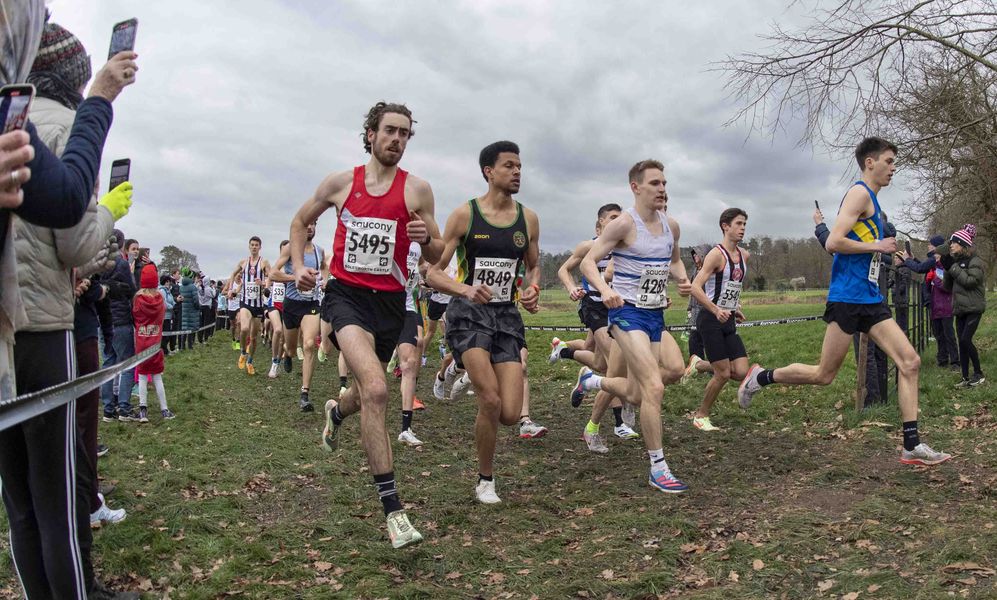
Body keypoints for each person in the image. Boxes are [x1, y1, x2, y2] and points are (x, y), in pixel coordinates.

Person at [0, 6, 140, 598]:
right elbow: (76, 239)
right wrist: (110, 208)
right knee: (58, 498)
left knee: (20, 501)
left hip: (4, 332)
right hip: (47, 328)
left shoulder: (18, 116)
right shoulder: (57, 126)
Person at [737, 137, 950, 466]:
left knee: (910, 362)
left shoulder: (875, 204)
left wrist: (889, 255)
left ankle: (911, 444)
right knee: (824, 375)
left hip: (870, 298)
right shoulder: (859, 193)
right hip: (847, 299)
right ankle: (760, 377)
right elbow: (834, 242)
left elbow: (864, 247)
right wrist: (877, 246)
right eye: (889, 161)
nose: (893, 168)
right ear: (870, 162)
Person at [297, 101, 441, 548]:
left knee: (363, 392)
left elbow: (436, 254)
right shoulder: (341, 183)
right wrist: (303, 264)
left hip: (391, 304)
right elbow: (302, 221)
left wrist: (426, 240)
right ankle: (394, 511)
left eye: (405, 133)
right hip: (346, 298)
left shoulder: (418, 191)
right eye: (390, 131)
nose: (397, 139)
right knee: (378, 390)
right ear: (371, 135)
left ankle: (336, 411)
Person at [427, 140, 541, 504]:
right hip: (469, 314)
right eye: (509, 166)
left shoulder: (528, 218)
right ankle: (485, 480)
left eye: (519, 166)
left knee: (509, 413)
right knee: (489, 400)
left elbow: (534, 264)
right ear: (489, 172)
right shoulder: (465, 215)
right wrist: (465, 289)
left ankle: (452, 371)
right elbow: (433, 272)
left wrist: (533, 287)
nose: (517, 172)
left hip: (506, 316)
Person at [574, 159, 692, 493]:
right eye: (655, 183)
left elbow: (675, 260)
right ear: (635, 187)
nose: (662, 189)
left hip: (655, 314)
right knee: (654, 388)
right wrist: (606, 289)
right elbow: (587, 261)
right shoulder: (624, 224)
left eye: (665, 183)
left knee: (645, 389)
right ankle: (658, 467)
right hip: (626, 314)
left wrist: (682, 279)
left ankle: (594, 380)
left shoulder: (672, 226)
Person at [687, 208, 751, 431]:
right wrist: (715, 310)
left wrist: (735, 307)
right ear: (725, 226)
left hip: (729, 318)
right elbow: (694, 288)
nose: (743, 228)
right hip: (710, 319)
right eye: (739, 224)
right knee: (723, 373)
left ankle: (699, 364)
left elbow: (731, 287)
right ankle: (701, 415)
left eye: (744, 224)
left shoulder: (744, 256)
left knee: (742, 371)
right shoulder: (716, 255)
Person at [272, 223, 326, 410]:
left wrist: (324, 280)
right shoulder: (290, 249)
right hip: (291, 305)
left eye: (313, 224)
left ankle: (305, 394)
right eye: (307, 224)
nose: (310, 227)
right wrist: (295, 278)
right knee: (292, 348)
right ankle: (287, 354)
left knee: (310, 344)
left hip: (311, 304)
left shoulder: (320, 252)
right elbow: (272, 273)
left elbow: (325, 268)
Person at [937, 224, 986, 388]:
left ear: (963, 244)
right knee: (961, 343)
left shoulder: (975, 261)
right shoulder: (956, 262)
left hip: (974, 308)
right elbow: (948, 287)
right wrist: (947, 268)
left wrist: (953, 267)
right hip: (960, 309)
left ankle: (978, 374)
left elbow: (971, 282)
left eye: (954, 242)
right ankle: (965, 378)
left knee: (966, 340)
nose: (950, 245)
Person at [134, 264, 175, 421]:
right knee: (157, 377)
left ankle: (143, 411)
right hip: (155, 343)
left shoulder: (137, 299)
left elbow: (135, 317)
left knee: (143, 377)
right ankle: (164, 410)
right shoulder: (159, 299)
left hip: (141, 342)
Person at [396, 241, 427, 446]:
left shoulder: (416, 246)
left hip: (407, 309)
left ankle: (405, 428)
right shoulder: (387, 234)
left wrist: (427, 276)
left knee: (409, 365)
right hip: (381, 306)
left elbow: (424, 265)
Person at [226, 237, 270, 375]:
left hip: (257, 304)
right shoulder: (243, 263)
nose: (254, 247)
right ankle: (243, 353)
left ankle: (250, 361)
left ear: (260, 247)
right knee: (244, 328)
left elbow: (271, 277)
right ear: (249, 246)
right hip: (245, 302)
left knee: (254, 336)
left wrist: (263, 283)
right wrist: (230, 289)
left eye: (256, 245)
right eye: (252, 245)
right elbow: (233, 274)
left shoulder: (264, 262)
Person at [265, 240, 289, 379]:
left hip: (287, 306)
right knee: (278, 330)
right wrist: (267, 288)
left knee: (283, 340)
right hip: (274, 304)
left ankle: (277, 361)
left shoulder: (292, 267)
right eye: (284, 248)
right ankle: (274, 363)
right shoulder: (277, 266)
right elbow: (270, 277)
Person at [179, 267, 200, 351]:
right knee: (191, 328)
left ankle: (182, 346)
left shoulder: (181, 287)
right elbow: (196, 300)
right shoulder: (193, 287)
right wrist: (198, 307)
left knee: (184, 327)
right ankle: (190, 346)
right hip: (192, 310)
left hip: (184, 309)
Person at [158, 275, 176, 354]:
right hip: (164, 316)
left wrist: (174, 304)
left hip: (169, 316)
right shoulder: (162, 291)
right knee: (165, 335)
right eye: (169, 282)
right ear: (166, 282)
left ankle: (164, 350)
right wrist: (171, 307)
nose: (170, 283)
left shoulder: (168, 291)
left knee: (167, 334)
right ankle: (164, 351)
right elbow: (164, 303)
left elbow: (172, 300)